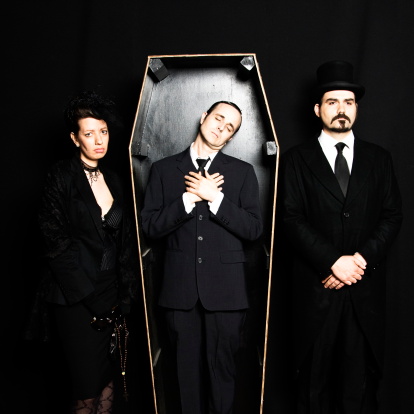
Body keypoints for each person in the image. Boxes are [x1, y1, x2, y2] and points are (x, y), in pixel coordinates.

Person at [279, 60, 403, 413]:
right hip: (316, 291)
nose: (341, 109)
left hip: (364, 294)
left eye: (348, 102)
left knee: (358, 388)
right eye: (332, 102)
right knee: (312, 387)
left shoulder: (379, 159)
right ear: (317, 109)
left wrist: (358, 262)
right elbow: (290, 218)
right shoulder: (296, 160)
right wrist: (333, 261)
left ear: (356, 108)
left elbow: (392, 216)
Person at [140, 101, 263, 414]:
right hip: (179, 294)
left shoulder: (242, 172)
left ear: (231, 137)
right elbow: (150, 227)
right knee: (185, 379)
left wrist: (215, 197)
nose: (221, 127)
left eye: (230, 127)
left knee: (222, 376)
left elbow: (253, 229)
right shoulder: (163, 170)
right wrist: (189, 198)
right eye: (219, 118)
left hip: (227, 295)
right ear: (204, 117)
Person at [37, 90, 139, 414]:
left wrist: (124, 295)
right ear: (75, 138)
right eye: (89, 133)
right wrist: (90, 296)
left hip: (111, 294)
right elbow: (55, 244)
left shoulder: (115, 179)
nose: (98, 140)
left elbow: (124, 243)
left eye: (103, 131)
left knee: (107, 381)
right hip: (76, 299)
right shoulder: (61, 176)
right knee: (85, 390)